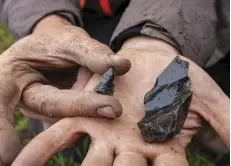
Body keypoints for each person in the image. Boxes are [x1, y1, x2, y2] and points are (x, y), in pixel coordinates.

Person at [0, 0, 230, 165]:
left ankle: (207, 130)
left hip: (194, 13)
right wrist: (46, 23)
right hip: (92, 19)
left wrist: (156, 38)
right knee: (70, 136)